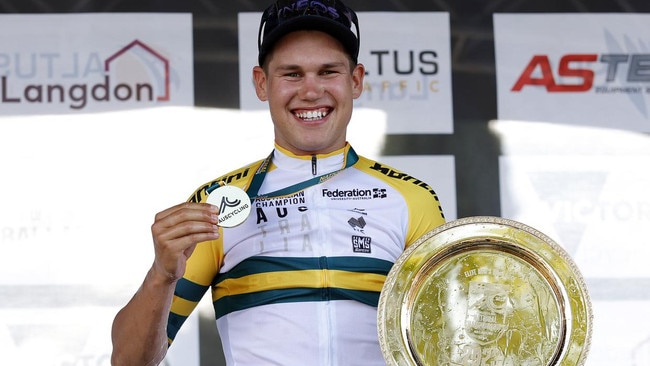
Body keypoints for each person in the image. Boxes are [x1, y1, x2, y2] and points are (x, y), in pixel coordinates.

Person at [110, 0, 446, 365]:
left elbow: (452, 340)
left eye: (328, 72)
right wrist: (161, 275)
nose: (311, 91)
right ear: (261, 83)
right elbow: (129, 361)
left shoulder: (412, 199)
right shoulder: (219, 203)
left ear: (355, 81)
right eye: (292, 74)